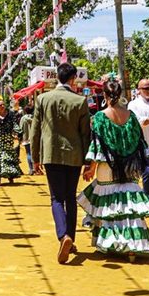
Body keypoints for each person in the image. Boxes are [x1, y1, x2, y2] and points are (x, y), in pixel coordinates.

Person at [77, 78, 149, 260]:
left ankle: (111, 243)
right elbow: (140, 143)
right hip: (129, 165)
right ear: (120, 94)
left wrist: (90, 168)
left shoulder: (100, 117)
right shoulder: (131, 116)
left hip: (108, 167)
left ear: (104, 95)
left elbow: (97, 146)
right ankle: (132, 246)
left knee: (109, 205)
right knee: (128, 205)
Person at [31, 62, 91, 264]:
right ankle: (70, 238)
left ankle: (62, 236)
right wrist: (88, 160)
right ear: (73, 79)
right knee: (70, 198)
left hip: (51, 154)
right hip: (73, 155)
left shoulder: (43, 99)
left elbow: (35, 130)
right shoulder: (80, 101)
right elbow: (85, 134)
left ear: (57, 77)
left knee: (56, 198)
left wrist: (35, 157)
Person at [0, 99, 22, 185]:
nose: (2, 106)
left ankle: (11, 178)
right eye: (0, 105)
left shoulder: (10, 115)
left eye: (3, 105)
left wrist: (18, 132)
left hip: (7, 141)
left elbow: (14, 125)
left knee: (8, 159)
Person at [19, 105, 35, 175]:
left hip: (26, 138)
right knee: (35, 153)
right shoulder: (34, 118)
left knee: (28, 153)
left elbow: (20, 128)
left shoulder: (23, 118)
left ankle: (31, 169)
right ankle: (35, 168)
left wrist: (20, 138)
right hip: (34, 138)